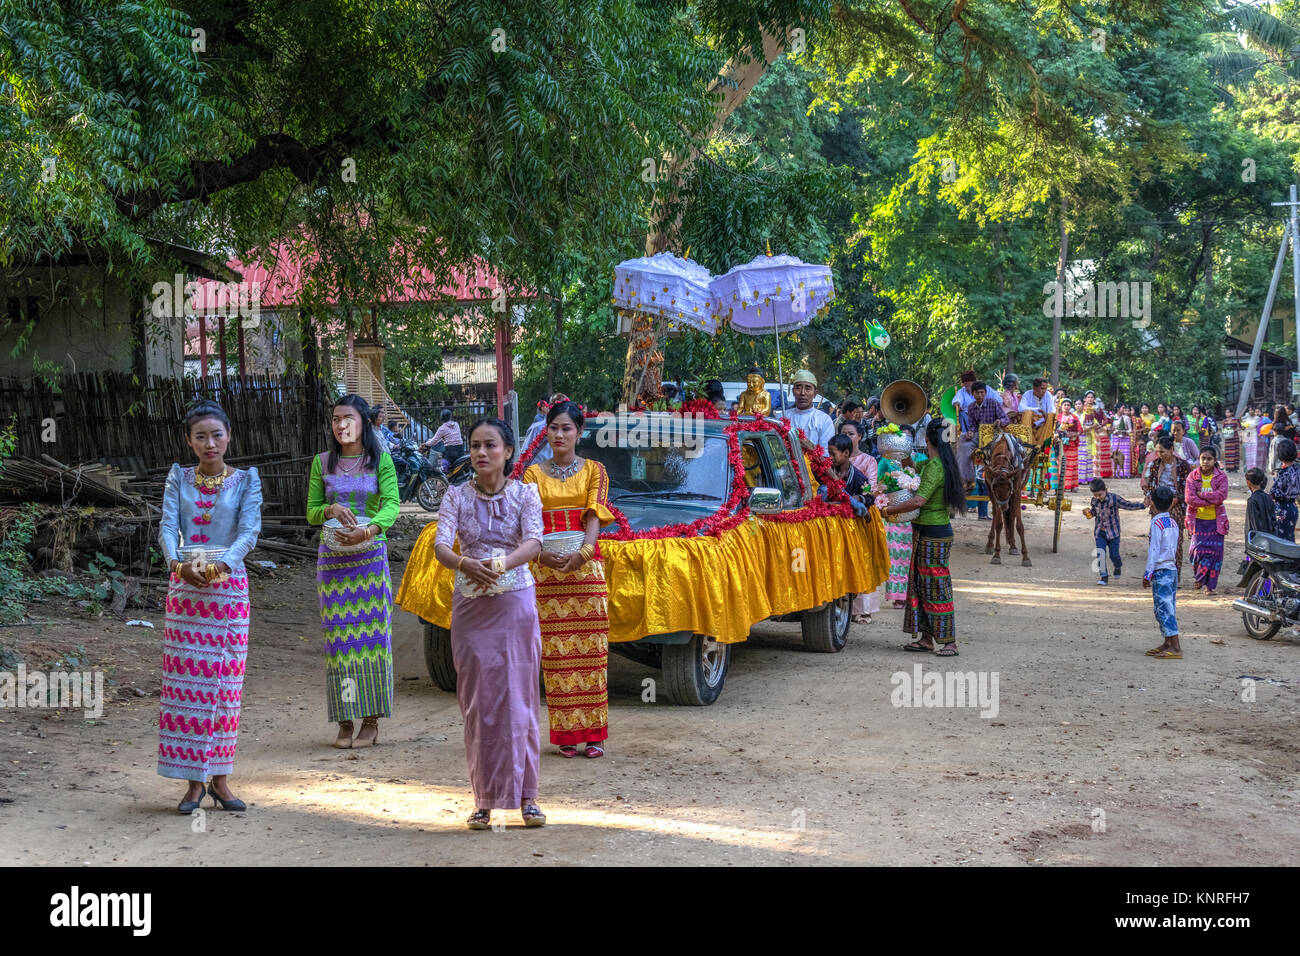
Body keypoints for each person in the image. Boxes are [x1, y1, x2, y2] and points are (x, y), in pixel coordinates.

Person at [432, 418, 547, 829]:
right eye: (475, 446)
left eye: (490, 445)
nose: (481, 453)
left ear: (508, 452)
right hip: (470, 606)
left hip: (515, 603)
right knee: (478, 704)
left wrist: (501, 564)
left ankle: (527, 797)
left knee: (520, 700)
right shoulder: (455, 497)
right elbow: (440, 545)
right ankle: (483, 800)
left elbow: (534, 542)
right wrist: (466, 563)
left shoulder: (526, 494)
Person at [158, 401, 263, 813]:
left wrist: (222, 565)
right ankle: (192, 785)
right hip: (185, 590)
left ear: (229, 436)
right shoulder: (176, 479)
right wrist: (177, 565)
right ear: (189, 440)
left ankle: (220, 779)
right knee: (187, 689)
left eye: (216, 434)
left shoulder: (246, 481)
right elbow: (168, 527)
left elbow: (250, 530)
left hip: (228, 587)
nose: (209, 443)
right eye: (200, 436)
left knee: (225, 687)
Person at [522, 401, 615, 758]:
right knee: (558, 655)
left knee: (591, 652)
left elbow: (593, 514)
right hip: (546, 570)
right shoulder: (532, 475)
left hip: (585, 568)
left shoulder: (595, 470)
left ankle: (595, 735)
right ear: (545, 431)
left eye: (567, 428)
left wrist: (585, 553)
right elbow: (528, 523)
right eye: (553, 428)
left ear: (579, 432)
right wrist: (541, 555)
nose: (559, 435)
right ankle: (565, 735)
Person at [307, 394, 400, 749]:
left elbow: (391, 505)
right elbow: (311, 512)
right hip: (333, 562)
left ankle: (371, 720)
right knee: (340, 644)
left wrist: (370, 530)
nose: (341, 425)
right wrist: (329, 509)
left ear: (363, 421)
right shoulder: (322, 462)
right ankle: (345, 719)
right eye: (335, 419)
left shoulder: (382, 461)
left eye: (348, 418)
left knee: (373, 641)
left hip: (369, 560)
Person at [881, 419, 965, 656]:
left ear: (927, 439)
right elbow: (910, 466)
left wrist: (887, 511)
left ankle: (950, 642)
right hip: (927, 532)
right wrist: (898, 447)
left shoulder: (936, 467)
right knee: (921, 584)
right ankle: (927, 639)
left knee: (936, 587)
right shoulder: (935, 463)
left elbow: (919, 500)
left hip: (933, 534)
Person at [1141, 435, 1192, 579]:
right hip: (1158, 503)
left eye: (1162, 451)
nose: (1159, 455)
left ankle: (1175, 575)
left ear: (1171, 449)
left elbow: (1186, 489)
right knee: (1155, 539)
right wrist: (1149, 497)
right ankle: (1156, 573)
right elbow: (1149, 484)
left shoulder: (1182, 465)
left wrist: (1176, 500)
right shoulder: (1155, 464)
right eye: (1158, 452)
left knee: (1176, 540)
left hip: (1176, 504)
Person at [877, 425, 915, 609]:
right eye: (901, 438)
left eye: (907, 439)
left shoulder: (921, 460)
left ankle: (911, 594)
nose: (904, 442)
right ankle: (898, 596)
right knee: (896, 555)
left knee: (911, 556)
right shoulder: (885, 461)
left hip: (914, 514)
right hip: (893, 513)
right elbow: (879, 484)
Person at [1143, 486, 1183, 660]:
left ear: (1153, 502)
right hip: (1171, 569)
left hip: (1161, 570)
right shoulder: (1173, 522)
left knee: (1164, 609)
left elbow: (1154, 549)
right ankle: (1167, 642)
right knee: (1168, 607)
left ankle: (1175, 646)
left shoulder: (1156, 523)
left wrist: (1148, 573)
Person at [1083, 478, 1145, 586]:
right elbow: (1094, 513)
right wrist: (1088, 513)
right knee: (1100, 554)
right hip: (1099, 533)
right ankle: (1104, 577)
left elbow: (1128, 505)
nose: (1098, 497)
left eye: (1100, 494)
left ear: (1105, 490)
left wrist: (1142, 505)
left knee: (1114, 555)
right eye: (1095, 495)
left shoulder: (1114, 499)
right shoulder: (1094, 501)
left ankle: (1117, 565)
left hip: (1113, 533)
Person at [1184, 447, 1228, 594]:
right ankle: (1199, 577)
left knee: (1215, 555)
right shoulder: (1192, 476)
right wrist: (1209, 501)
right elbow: (1190, 499)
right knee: (1195, 552)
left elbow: (1221, 496)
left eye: (1209, 459)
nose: (1205, 461)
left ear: (1215, 460)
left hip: (1216, 522)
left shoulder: (1221, 477)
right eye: (1203, 458)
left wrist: (1201, 495)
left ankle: (1209, 587)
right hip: (1197, 521)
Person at [964, 381, 1008, 520]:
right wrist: (970, 432)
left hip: (995, 441)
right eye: (977, 393)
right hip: (980, 443)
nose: (980, 395)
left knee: (984, 478)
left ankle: (985, 512)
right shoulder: (971, 407)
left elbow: (1005, 418)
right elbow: (972, 425)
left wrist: (1000, 422)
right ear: (973, 394)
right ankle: (982, 513)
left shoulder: (993, 403)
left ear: (985, 393)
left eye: (982, 392)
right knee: (981, 477)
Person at [782, 368, 835, 450]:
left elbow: (826, 452)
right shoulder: (783, 417)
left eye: (808, 388)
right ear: (793, 391)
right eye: (798, 388)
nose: (802, 393)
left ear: (815, 393)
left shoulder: (824, 420)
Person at [1271, 437, 1300, 541]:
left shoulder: (1283, 473)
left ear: (1280, 455)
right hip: (1293, 508)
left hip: (1282, 509)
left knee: (1280, 537)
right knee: (1290, 535)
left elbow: (1275, 493)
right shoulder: (1298, 469)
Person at [1018, 377, 1057, 449]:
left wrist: (1038, 422)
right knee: (1027, 412)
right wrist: (1036, 410)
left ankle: (1042, 447)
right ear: (1034, 388)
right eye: (1042, 388)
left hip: (1043, 424)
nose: (1044, 391)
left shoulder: (1048, 395)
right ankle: (1028, 445)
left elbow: (1052, 411)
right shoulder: (1027, 394)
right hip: (1029, 424)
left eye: (1045, 389)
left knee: (1051, 415)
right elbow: (1020, 408)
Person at [1055, 398, 1082, 492]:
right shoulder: (1057, 417)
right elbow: (1054, 429)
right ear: (1061, 407)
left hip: (1072, 444)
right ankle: (1062, 485)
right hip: (1060, 444)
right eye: (1065, 405)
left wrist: (1074, 434)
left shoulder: (1074, 417)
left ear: (1071, 407)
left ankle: (1073, 485)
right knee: (1061, 464)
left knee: (1072, 464)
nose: (1066, 407)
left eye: (1068, 405)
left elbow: (1080, 430)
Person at [1246, 468, 1276, 536]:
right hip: (1270, 537)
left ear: (1248, 482)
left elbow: (1255, 524)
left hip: (1257, 540)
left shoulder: (1252, 501)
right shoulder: (1268, 497)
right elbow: (1273, 519)